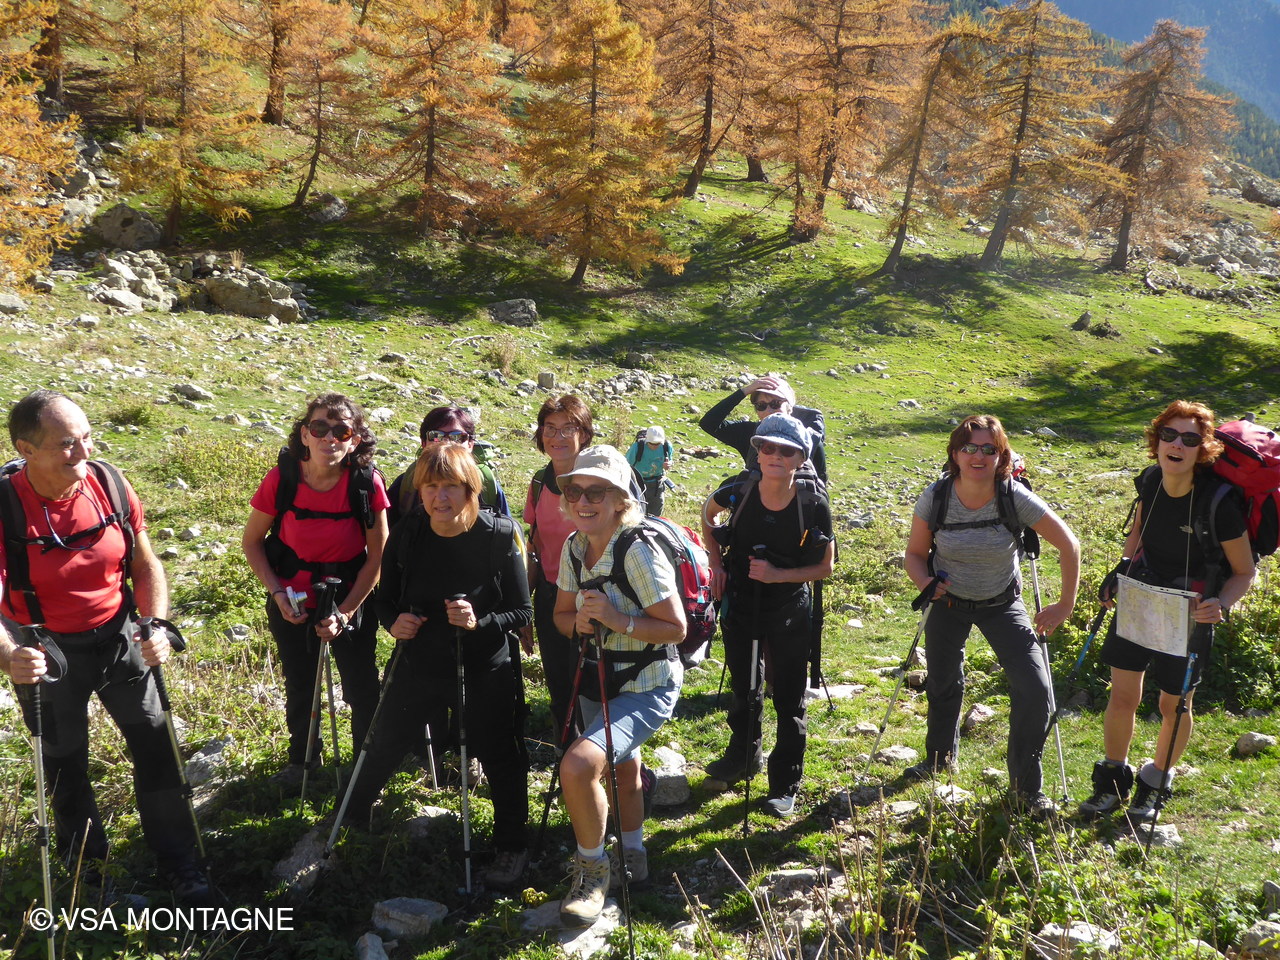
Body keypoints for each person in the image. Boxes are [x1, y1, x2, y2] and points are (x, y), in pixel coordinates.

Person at [0, 390, 213, 904]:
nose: (84, 452)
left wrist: (156, 625)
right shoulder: (4, 506)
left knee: (156, 745)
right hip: (46, 650)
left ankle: (180, 863)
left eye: (87, 438)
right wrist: (9, 656)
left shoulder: (109, 483)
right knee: (65, 762)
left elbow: (145, 563)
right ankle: (88, 875)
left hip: (119, 636)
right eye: (66, 444)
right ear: (26, 449)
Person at [342, 442, 533, 889]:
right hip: (419, 663)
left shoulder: (499, 535)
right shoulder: (408, 534)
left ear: (471, 489)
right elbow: (385, 599)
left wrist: (481, 621)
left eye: (450, 486)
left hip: (484, 666)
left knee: (500, 754)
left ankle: (512, 846)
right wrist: (393, 622)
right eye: (429, 487)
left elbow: (522, 611)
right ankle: (349, 819)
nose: (439, 497)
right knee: (384, 742)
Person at [1079, 401, 1255, 821]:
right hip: (1141, 598)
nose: (1177, 445)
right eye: (1169, 435)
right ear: (1156, 440)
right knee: (1122, 695)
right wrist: (1121, 570)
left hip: (1190, 611)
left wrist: (1221, 605)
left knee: (1174, 706)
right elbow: (1139, 530)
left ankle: (1156, 781)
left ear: (1203, 449)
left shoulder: (1218, 503)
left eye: (1190, 439)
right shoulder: (1151, 480)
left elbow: (1244, 571)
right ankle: (1112, 780)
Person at [903, 414, 1080, 815]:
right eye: (969, 447)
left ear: (1001, 456)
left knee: (1035, 689)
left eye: (989, 448)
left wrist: (1065, 604)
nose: (978, 456)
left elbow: (1069, 544)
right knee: (942, 682)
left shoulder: (1013, 496)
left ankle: (1025, 788)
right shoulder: (936, 497)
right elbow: (914, 554)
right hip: (947, 602)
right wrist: (925, 583)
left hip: (1002, 603)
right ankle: (938, 758)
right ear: (954, 454)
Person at [553, 445, 686, 927]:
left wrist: (616, 620)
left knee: (578, 765)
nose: (583, 501)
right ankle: (633, 852)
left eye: (598, 492)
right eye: (575, 491)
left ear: (620, 500)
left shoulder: (638, 550)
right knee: (622, 769)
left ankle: (593, 872)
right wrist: (579, 624)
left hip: (649, 683)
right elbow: (560, 616)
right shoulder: (574, 547)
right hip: (601, 677)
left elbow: (675, 629)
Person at [242, 393, 388, 786]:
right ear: (305, 435)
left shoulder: (366, 483)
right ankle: (302, 762)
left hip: (349, 596)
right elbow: (252, 542)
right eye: (320, 428)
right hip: (291, 598)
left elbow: (377, 557)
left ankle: (366, 769)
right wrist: (277, 593)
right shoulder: (282, 479)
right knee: (300, 683)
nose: (330, 438)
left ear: (355, 440)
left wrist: (346, 612)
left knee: (360, 685)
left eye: (342, 431)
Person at [700, 414, 835, 816]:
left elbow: (825, 566)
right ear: (757, 451)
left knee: (789, 698)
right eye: (767, 447)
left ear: (801, 458)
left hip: (789, 608)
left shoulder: (812, 503)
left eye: (786, 451)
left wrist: (778, 575)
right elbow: (707, 516)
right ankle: (743, 757)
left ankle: (785, 782)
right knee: (744, 688)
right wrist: (716, 564)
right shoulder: (739, 490)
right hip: (741, 602)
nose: (775, 455)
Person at [524, 395, 595, 744]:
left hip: (595, 599)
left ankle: (600, 756)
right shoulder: (539, 482)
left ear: (584, 433)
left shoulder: (598, 482)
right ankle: (565, 752)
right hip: (552, 597)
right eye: (550, 428)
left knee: (594, 686)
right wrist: (524, 608)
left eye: (569, 428)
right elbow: (535, 547)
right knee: (559, 684)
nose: (558, 436)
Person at [387, 405, 513, 525]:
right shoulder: (406, 484)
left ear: (470, 444)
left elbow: (506, 530)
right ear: (423, 443)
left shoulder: (487, 484)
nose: (446, 442)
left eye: (457, 437)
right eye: (436, 436)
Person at [698, 374, 826, 481]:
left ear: (790, 408)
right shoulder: (750, 434)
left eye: (775, 404)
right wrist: (745, 391)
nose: (769, 410)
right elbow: (708, 423)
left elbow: (820, 482)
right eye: (761, 405)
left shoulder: (810, 439)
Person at [626, 426, 674, 517]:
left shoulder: (667, 446)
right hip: (638, 484)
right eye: (651, 443)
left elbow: (670, 460)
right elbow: (626, 464)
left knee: (656, 514)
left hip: (657, 484)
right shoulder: (637, 447)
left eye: (657, 444)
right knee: (636, 513)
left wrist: (668, 464)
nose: (654, 446)